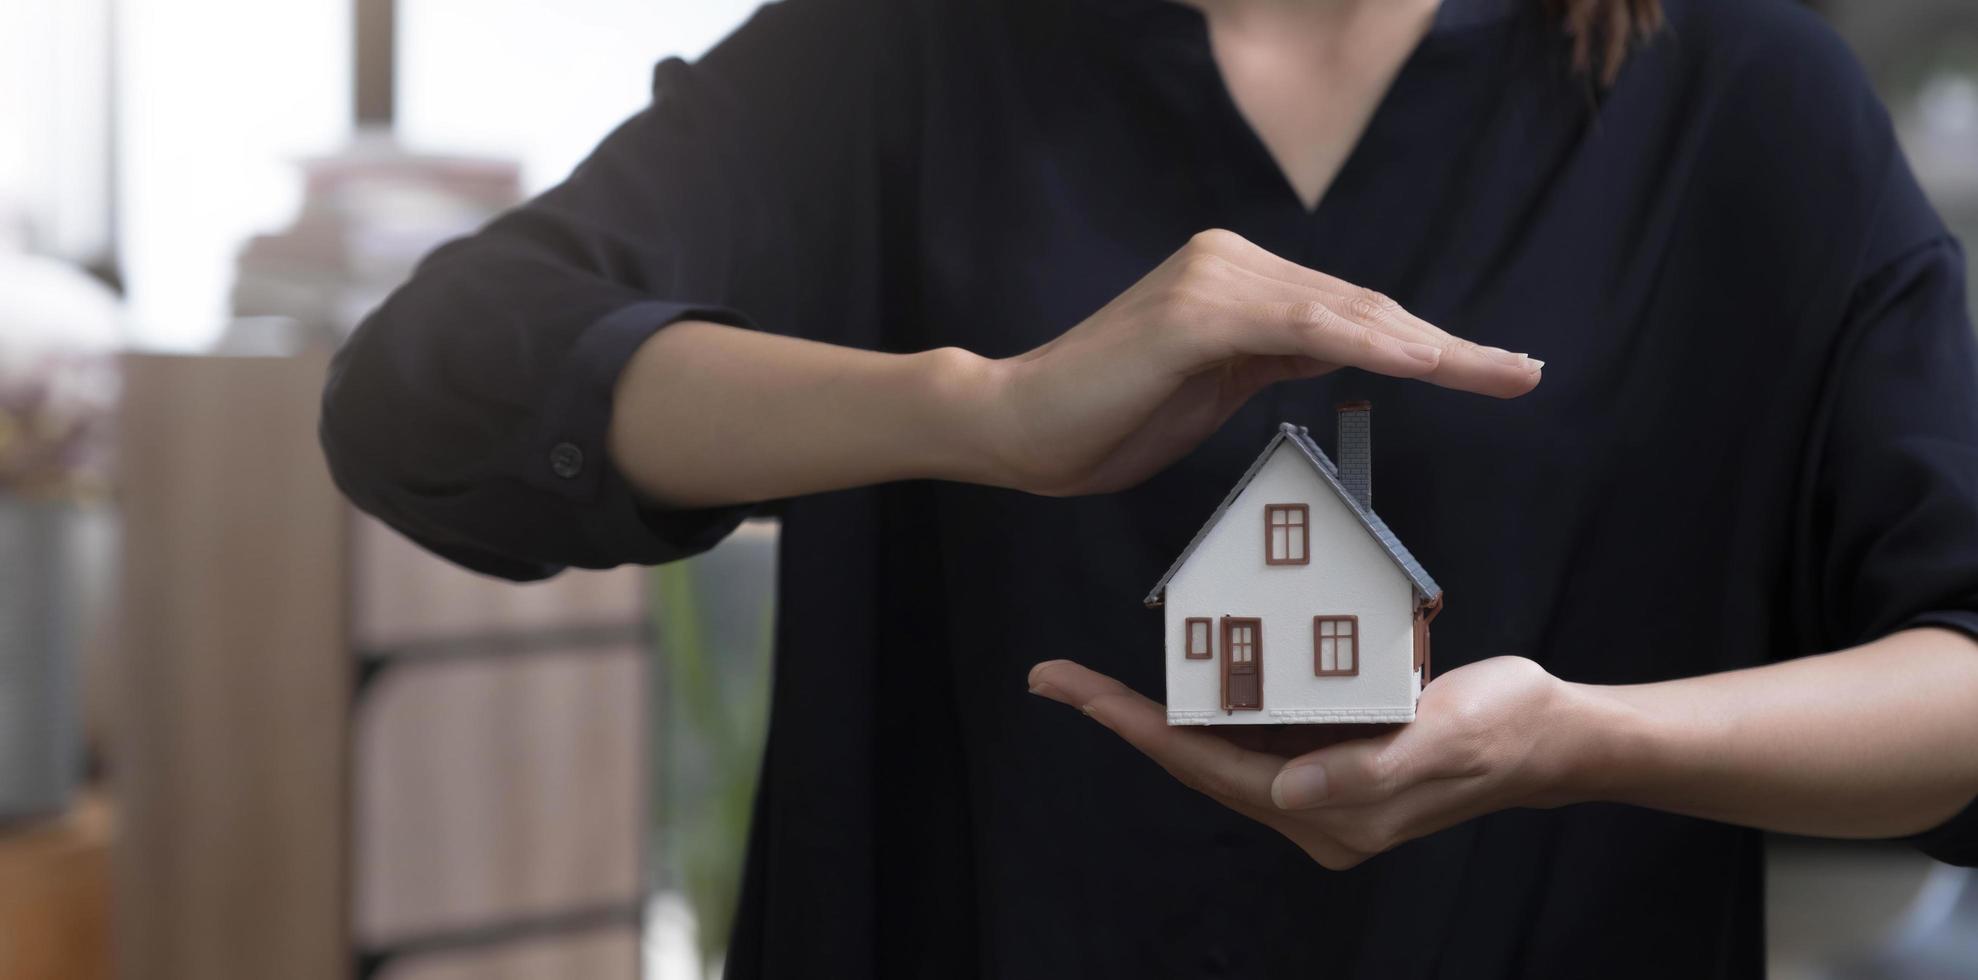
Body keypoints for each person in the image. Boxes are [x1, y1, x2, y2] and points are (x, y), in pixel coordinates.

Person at [320, 0, 1978, 974]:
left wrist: (1579, 741)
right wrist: (979, 412)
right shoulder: (902, 54)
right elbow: (431, 391)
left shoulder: (1736, 90)